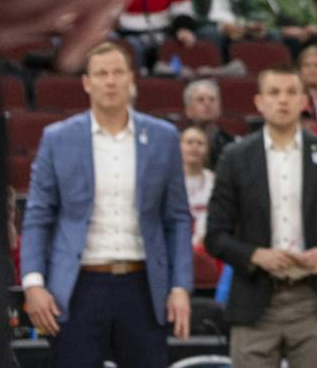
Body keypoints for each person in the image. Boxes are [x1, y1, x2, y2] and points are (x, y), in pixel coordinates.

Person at [19, 42, 193, 367]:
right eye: (101, 74)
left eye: (117, 73)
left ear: (131, 79)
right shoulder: (57, 138)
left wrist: (181, 286)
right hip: (78, 287)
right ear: (87, 83)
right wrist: (33, 283)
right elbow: (37, 215)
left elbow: (178, 218)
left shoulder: (164, 137)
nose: (110, 81)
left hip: (142, 285)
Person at [204, 64, 317, 368]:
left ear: (304, 101)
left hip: (313, 299)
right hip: (254, 301)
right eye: (274, 93)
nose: (283, 100)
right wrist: (255, 255)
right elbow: (215, 235)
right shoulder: (235, 157)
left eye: (291, 92)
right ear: (259, 102)